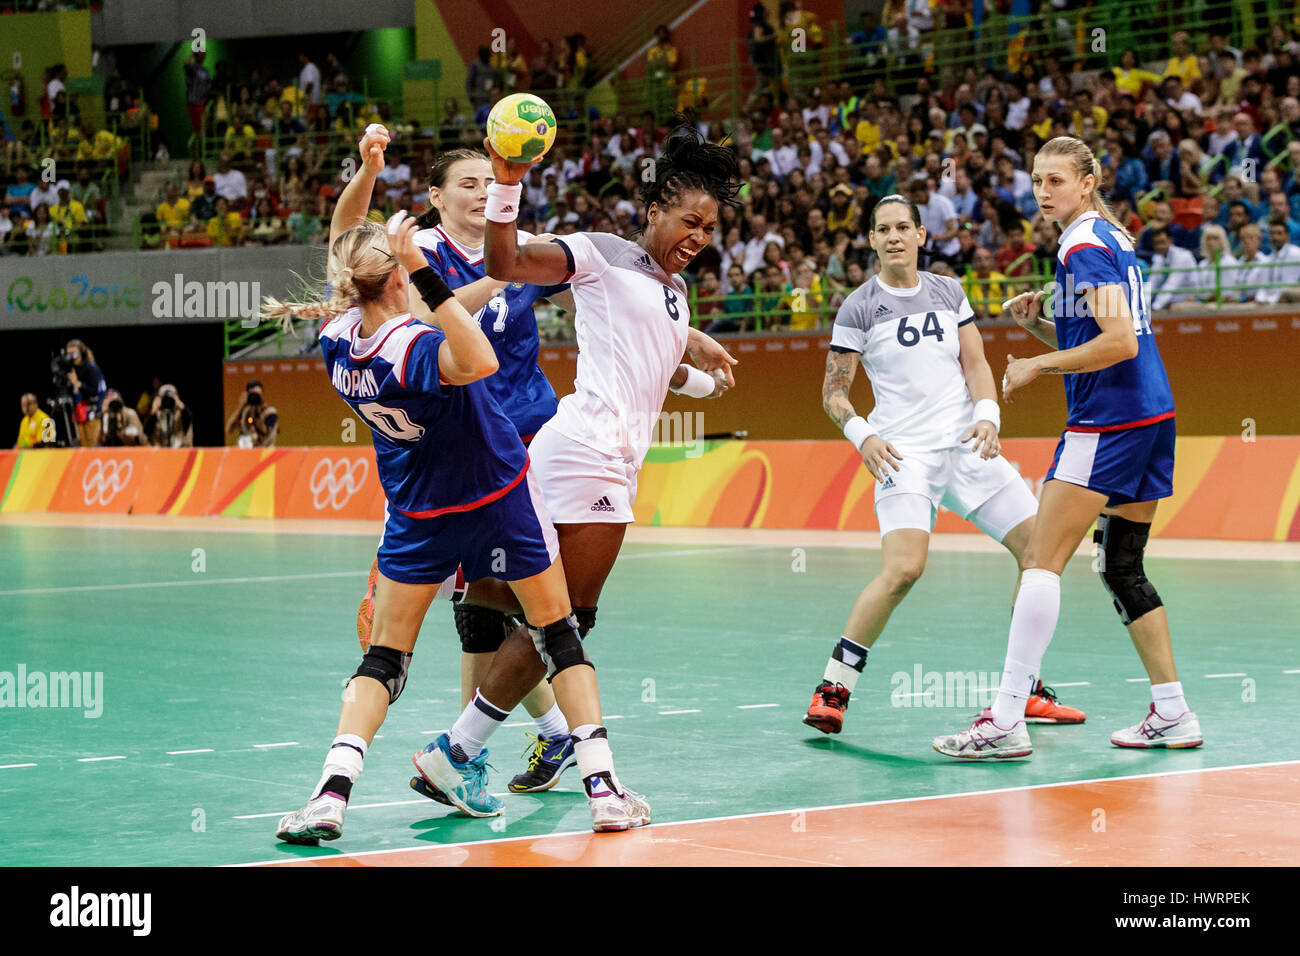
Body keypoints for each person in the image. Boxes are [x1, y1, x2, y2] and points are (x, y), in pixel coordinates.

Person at [267, 131, 647, 840]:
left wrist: (370, 172)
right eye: (464, 182)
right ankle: (599, 785)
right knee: (558, 630)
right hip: (496, 485)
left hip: (418, 505)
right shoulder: (417, 339)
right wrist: (438, 276)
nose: (478, 193)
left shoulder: (337, 336)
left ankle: (331, 793)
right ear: (401, 277)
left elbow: (344, 237)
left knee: (390, 654)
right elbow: (467, 355)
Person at [409, 123, 741, 817]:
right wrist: (507, 179)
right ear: (653, 210)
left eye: (710, 228)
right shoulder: (599, 253)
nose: (698, 236)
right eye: (688, 220)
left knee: (515, 611)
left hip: (576, 456)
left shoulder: (671, 291)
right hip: (588, 457)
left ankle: (455, 752)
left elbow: (649, 360)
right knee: (568, 619)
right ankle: (577, 775)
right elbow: (503, 255)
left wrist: (701, 362)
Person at [935, 136, 1200, 759]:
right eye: (1036, 181)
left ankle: (1004, 720)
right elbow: (1114, 332)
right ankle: (1173, 711)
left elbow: (1118, 344)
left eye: (1056, 180)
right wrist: (1041, 328)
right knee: (1121, 566)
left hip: (1107, 422)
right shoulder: (1113, 238)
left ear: (1088, 182)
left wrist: (1037, 364)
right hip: (1151, 417)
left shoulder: (1081, 244)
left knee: (1040, 561)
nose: (1043, 192)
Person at [350, 139, 583, 795]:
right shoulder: (416, 254)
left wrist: (679, 343)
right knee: (488, 605)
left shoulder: (520, 242)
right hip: (463, 445)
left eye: (492, 180)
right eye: (468, 182)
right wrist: (503, 274)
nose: (484, 191)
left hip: (528, 438)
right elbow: (426, 315)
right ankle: (537, 736)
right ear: (435, 197)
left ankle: (471, 752)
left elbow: (580, 298)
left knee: (491, 603)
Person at [804, 194, 1082, 737]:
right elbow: (833, 392)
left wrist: (988, 415)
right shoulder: (859, 306)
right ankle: (833, 687)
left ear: (920, 235)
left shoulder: (948, 291)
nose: (894, 237)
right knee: (904, 569)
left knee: (1039, 554)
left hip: (968, 447)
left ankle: (1025, 691)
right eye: (883, 230)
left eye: (903, 227)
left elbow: (975, 363)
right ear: (871, 241)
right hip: (904, 455)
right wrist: (863, 436)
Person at [62, 339, 106, 447]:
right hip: (78, 412)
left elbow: (94, 391)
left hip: (92, 414)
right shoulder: (71, 369)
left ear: (81, 352)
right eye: (69, 354)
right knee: (82, 446)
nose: (71, 357)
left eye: (74, 353)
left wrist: (77, 383)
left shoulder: (91, 368)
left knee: (92, 445)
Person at [225, 380, 278, 447]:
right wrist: (240, 406)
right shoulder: (244, 411)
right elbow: (229, 429)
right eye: (252, 394)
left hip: (264, 449)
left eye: (257, 394)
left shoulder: (269, 412)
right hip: (246, 450)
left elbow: (271, 435)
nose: (254, 397)